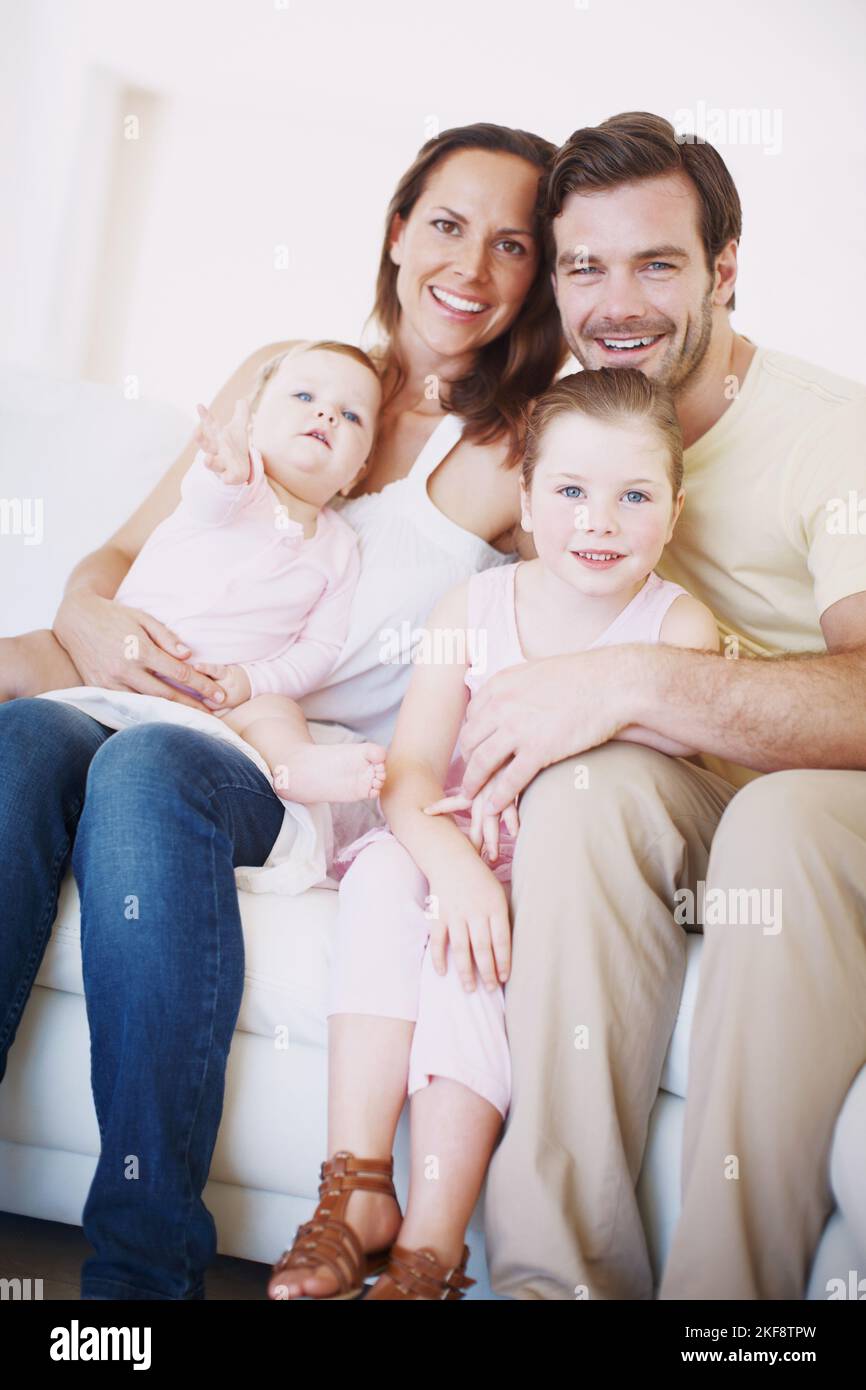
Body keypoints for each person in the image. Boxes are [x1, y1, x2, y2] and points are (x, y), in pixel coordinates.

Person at [0, 122, 568, 1299]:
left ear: (538, 272)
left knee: (147, 769)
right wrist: (91, 615)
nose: (469, 266)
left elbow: (613, 575)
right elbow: (117, 555)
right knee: (20, 741)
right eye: (447, 224)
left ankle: (141, 1276)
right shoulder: (293, 369)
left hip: (284, 765)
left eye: (512, 244)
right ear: (399, 228)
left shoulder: (518, 446)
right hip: (132, 693)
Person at [453, 112, 866, 1301]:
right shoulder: (574, 429)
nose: (613, 300)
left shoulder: (829, 438)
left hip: (825, 800)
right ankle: (550, 1281)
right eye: (583, 265)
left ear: (723, 270)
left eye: (656, 263)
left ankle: (725, 1315)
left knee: (779, 826)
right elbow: (391, 553)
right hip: (693, 779)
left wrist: (627, 678)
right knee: (581, 794)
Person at [266, 367, 720, 1301]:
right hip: (450, 843)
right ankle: (353, 1185)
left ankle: (431, 1247)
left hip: (557, 874)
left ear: (673, 513)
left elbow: (658, 794)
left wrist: (485, 888)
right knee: (388, 881)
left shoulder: (677, 631)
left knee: (467, 955)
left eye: (634, 496)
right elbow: (413, 772)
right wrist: (457, 869)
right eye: (570, 492)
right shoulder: (471, 609)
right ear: (525, 500)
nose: (598, 521)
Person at [6, 340, 388, 806]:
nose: (327, 415)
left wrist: (251, 681)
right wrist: (225, 469)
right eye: (305, 397)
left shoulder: (341, 549)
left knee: (277, 715)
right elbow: (208, 501)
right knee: (22, 654)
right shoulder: (237, 485)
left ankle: (297, 766)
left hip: (215, 706)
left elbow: (320, 649)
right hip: (103, 667)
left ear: (359, 472)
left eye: (352, 416)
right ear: (251, 422)